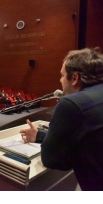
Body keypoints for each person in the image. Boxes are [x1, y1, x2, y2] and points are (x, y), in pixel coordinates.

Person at [19, 47, 103, 191]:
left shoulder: (72, 104)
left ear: (75, 78)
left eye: (62, 75)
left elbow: (52, 159)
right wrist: (40, 135)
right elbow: (88, 139)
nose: (60, 80)